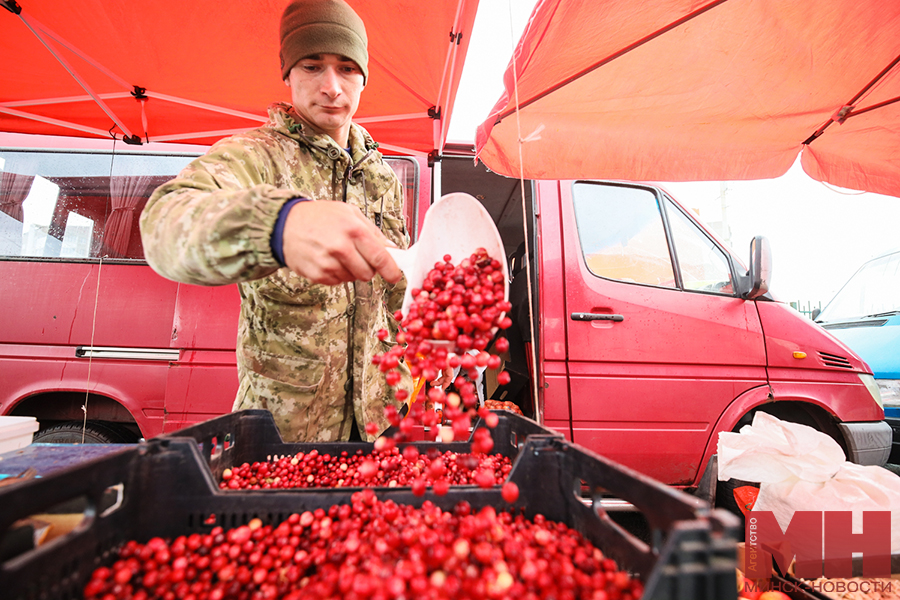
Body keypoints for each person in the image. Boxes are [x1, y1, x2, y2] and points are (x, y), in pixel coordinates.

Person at [139, 0, 412, 443]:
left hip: (378, 432)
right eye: (311, 66)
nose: (331, 87)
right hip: (283, 436)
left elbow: (394, 292)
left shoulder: (382, 176)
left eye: (346, 68)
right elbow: (164, 225)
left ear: (363, 76)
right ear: (287, 73)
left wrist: (428, 335)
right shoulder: (253, 155)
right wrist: (277, 225)